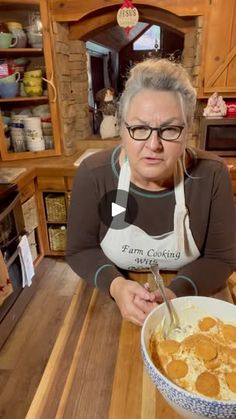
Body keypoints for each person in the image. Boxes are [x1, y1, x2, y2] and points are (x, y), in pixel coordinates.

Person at [66, 58, 236, 326]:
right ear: (121, 130)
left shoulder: (211, 175)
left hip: (191, 304)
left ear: (187, 132)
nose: (153, 144)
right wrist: (117, 286)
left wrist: (173, 294)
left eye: (169, 129)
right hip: (108, 305)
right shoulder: (94, 175)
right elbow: (80, 250)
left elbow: (222, 257)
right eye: (140, 128)